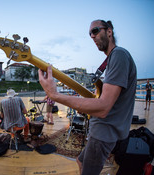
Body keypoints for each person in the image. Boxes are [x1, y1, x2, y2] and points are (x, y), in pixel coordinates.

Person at [38, 19, 137, 175]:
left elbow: (104, 107)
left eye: (96, 31)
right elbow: (105, 99)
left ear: (109, 31)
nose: (92, 36)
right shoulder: (112, 59)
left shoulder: (119, 54)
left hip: (104, 132)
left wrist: (54, 95)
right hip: (102, 130)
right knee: (80, 161)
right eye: (90, 33)